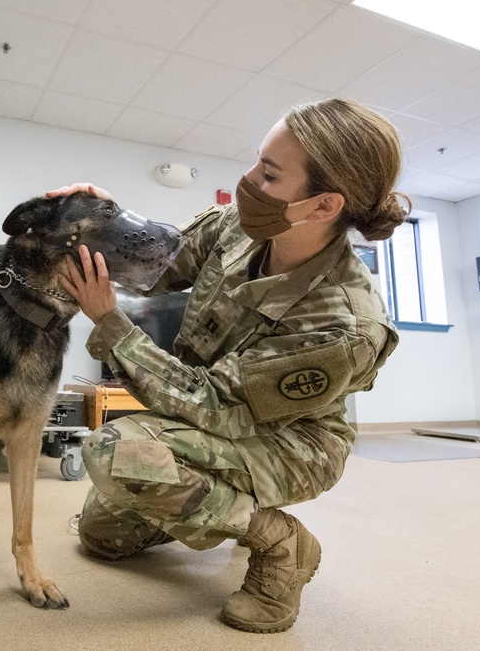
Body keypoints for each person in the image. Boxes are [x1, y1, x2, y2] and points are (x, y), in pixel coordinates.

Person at [54, 98, 409, 633]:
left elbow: (217, 407)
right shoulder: (238, 228)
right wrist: (105, 220)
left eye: (268, 174)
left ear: (322, 205)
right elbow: (154, 265)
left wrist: (109, 323)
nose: (247, 181)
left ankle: (281, 543)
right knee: (100, 537)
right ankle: (195, 508)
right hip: (208, 408)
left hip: (292, 442)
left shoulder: (341, 322)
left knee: (117, 451)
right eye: (257, 161)